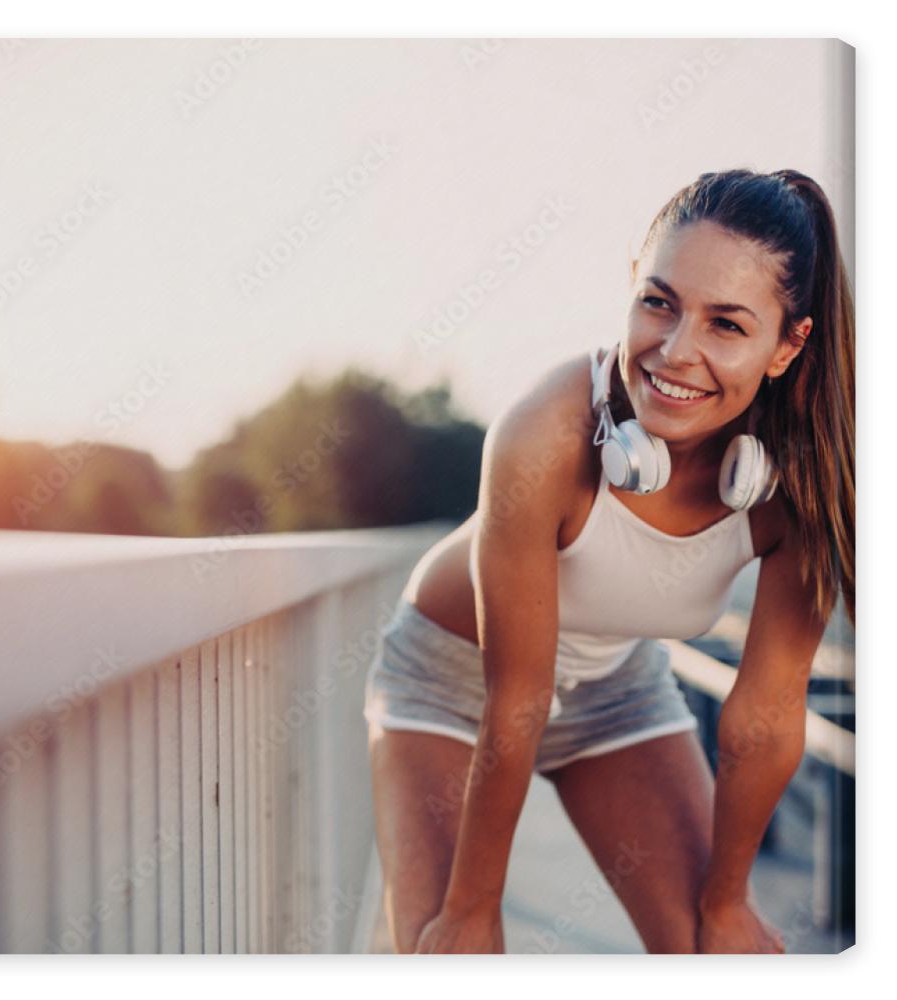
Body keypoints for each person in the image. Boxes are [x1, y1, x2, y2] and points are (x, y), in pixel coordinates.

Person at [362, 168, 855, 955]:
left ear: (787, 345)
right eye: (659, 302)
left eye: (727, 325)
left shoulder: (806, 482)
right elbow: (516, 697)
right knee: (451, 960)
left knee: (713, 954)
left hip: (615, 687)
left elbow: (764, 717)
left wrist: (727, 903)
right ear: (632, 287)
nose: (677, 350)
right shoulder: (546, 432)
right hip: (451, 680)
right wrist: (472, 909)